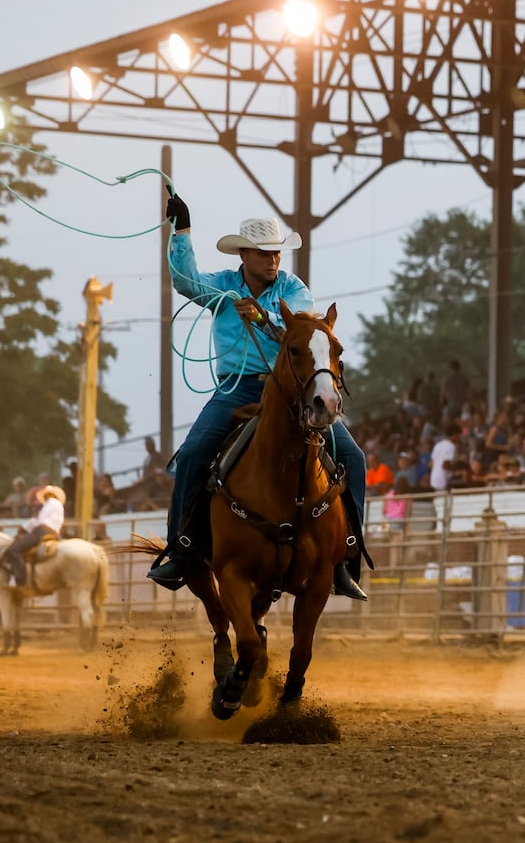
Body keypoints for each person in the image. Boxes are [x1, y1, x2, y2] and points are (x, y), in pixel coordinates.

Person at [145, 189, 367, 600]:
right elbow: (185, 281)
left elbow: (299, 334)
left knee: (354, 457)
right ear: (243, 255)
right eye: (263, 253)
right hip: (236, 387)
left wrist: (263, 317)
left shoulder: (294, 290)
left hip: (289, 391)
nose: (272, 260)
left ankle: (347, 556)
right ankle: (181, 548)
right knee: (194, 454)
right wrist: (182, 231)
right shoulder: (223, 289)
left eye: (276, 253)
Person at [4, 485, 66, 591]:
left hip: (42, 531)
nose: (47, 496)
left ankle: (20, 580)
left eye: (47, 494)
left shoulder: (50, 503)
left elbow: (39, 521)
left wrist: (25, 526)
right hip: (54, 533)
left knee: (13, 549)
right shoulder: (59, 505)